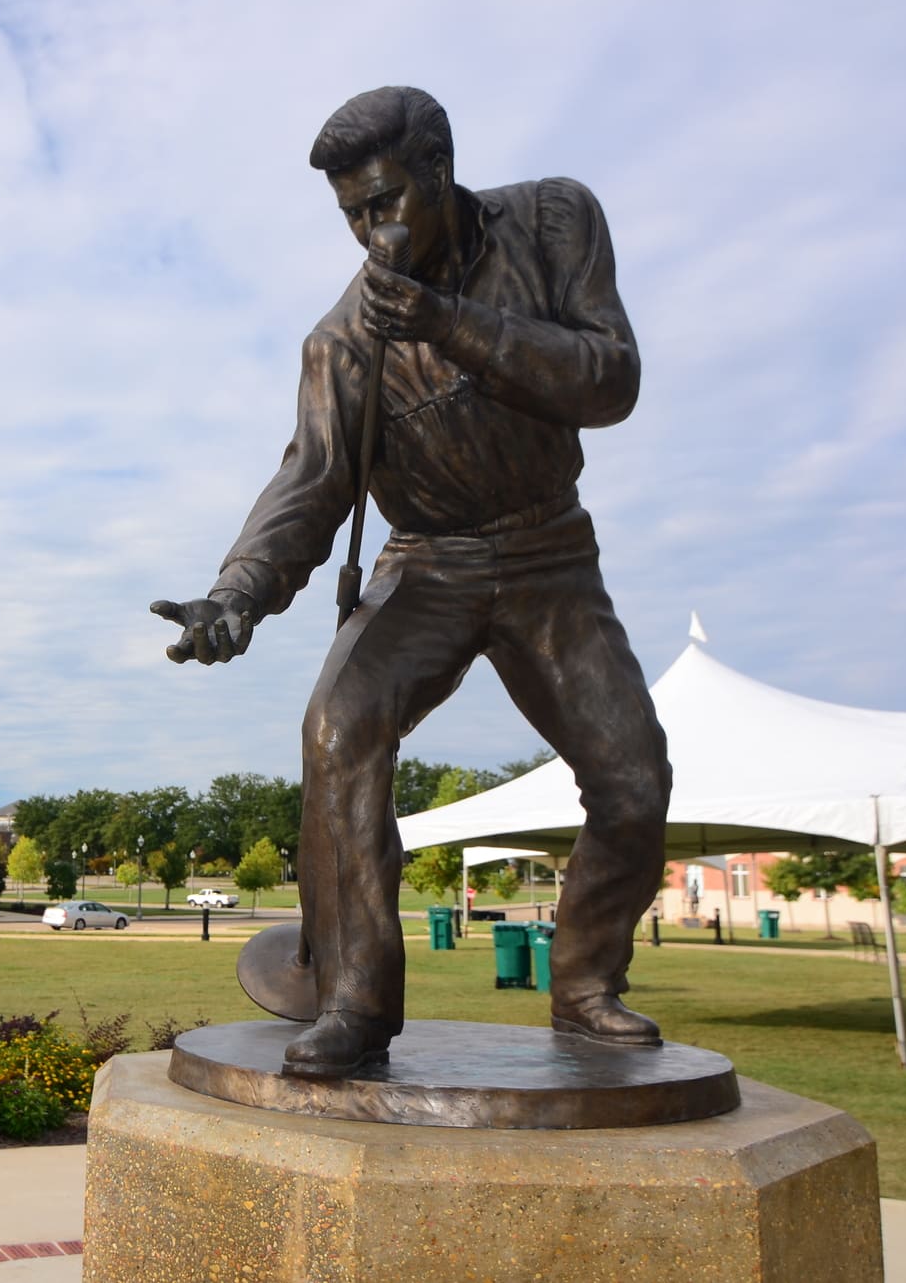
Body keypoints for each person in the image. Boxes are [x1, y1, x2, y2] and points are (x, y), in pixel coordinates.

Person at [153, 86, 671, 1077]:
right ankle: (353, 999)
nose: (371, 229)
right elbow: (311, 480)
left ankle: (585, 985)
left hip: (549, 555)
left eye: (386, 200)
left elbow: (610, 379)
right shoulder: (341, 341)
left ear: (440, 170)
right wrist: (237, 593)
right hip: (426, 563)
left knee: (633, 778)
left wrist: (451, 323)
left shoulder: (554, 220)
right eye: (352, 213)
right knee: (336, 728)